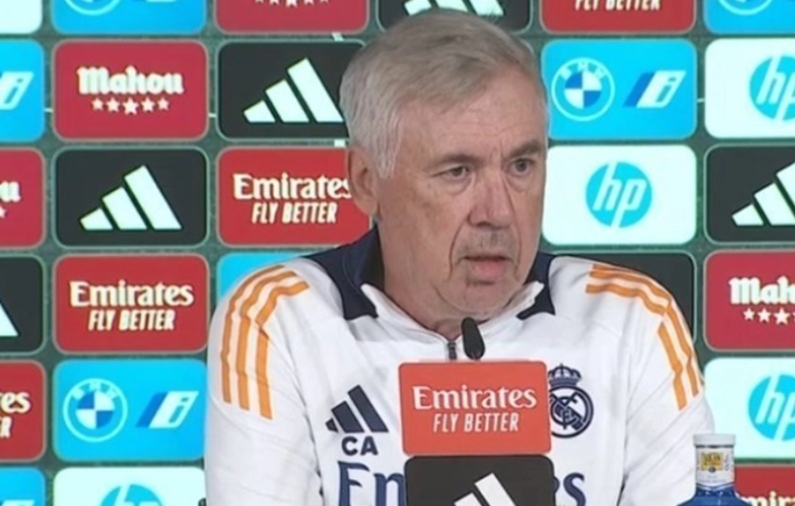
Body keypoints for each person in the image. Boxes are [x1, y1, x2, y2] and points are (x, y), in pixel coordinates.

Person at [204, 9, 714, 506]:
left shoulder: (628, 318)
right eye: (457, 172)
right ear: (366, 181)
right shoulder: (281, 318)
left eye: (520, 165)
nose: (498, 213)